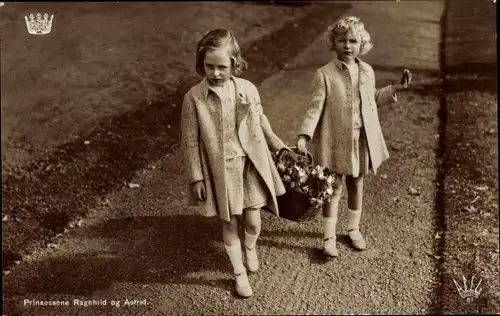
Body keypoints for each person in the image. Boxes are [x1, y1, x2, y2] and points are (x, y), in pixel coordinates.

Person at [181, 29, 288, 298]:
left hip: (249, 165)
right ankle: (239, 274)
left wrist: (278, 145)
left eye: (222, 67)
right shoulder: (194, 98)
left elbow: (261, 122)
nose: (215, 73)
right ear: (201, 64)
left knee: (252, 221)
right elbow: (190, 141)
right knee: (229, 222)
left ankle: (250, 247)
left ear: (234, 64)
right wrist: (196, 176)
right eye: (209, 67)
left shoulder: (248, 89)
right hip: (221, 169)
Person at [296, 16, 412, 258]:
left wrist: (395, 89)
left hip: (361, 139)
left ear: (362, 44)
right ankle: (328, 237)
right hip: (335, 140)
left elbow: (373, 99)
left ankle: (353, 228)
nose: (347, 46)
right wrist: (304, 135)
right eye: (341, 40)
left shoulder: (367, 71)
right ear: (333, 43)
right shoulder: (325, 74)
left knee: (356, 183)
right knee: (333, 186)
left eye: (353, 41)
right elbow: (315, 107)